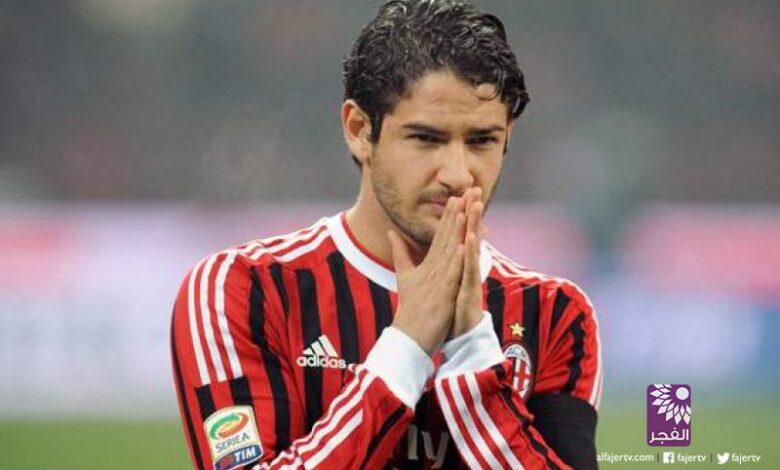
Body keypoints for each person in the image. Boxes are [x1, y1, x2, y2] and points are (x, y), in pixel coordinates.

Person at [170, 1, 602, 468]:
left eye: (482, 141)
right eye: (426, 139)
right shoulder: (244, 289)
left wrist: (472, 350)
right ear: (359, 130)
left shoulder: (554, 313)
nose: (458, 174)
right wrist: (407, 346)